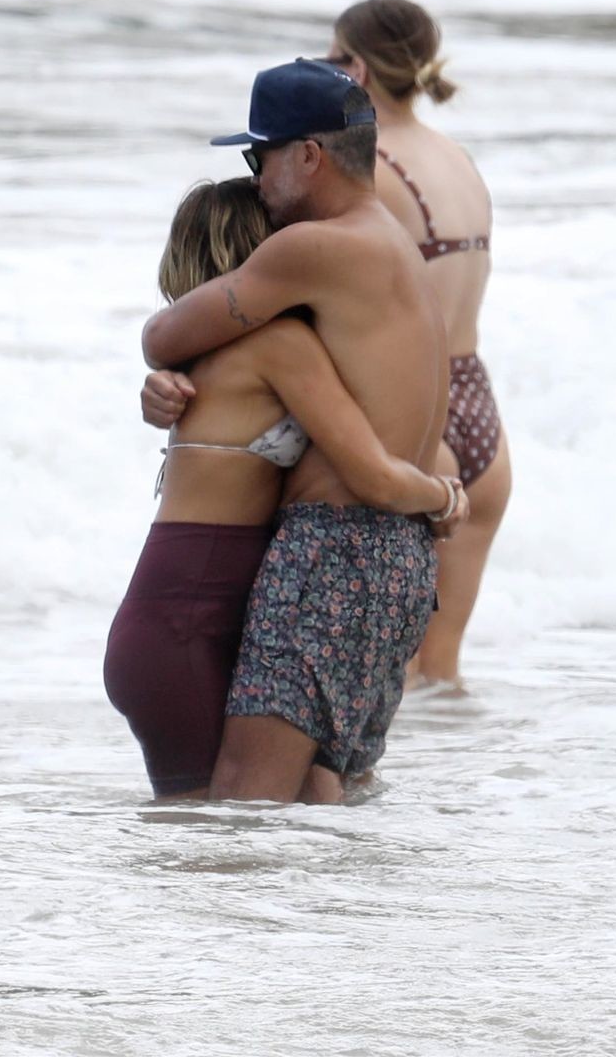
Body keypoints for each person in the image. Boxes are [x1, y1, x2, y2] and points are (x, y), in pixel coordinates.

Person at [139, 58, 450, 802]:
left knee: (246, 804)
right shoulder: (396, 247)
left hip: (331, 552)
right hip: (402, 559)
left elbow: (164, 334)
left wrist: (165, 370)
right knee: (324, 796)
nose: (254, 182)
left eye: (260, 158)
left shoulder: (313, 248)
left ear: (309, 155)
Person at [325, 0, 509, 687]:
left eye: (332, 57)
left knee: (384, 682)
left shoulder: (369, 165)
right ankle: (457, 768)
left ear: (358, 69)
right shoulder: (457, 158)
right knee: (441, 674)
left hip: (413, 413)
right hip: (478, 410)